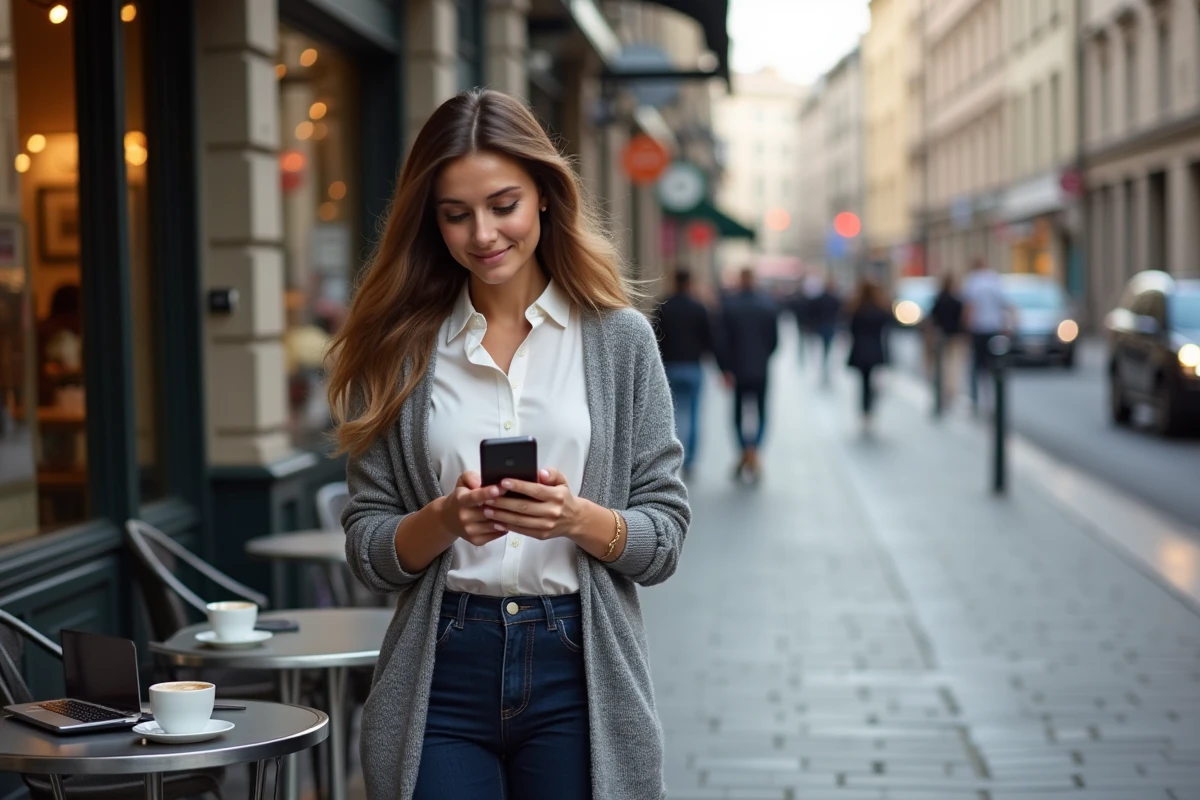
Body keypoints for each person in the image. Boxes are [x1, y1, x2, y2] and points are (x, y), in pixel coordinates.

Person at [327, 89, 690, 800]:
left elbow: (666, 538)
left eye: (504, 205)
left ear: (546, 198)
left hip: (578, 668)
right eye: (455, 215)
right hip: (441, 668)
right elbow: (369, 552)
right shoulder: (399, 350)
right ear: (430, 222)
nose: (483, 234)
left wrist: (574, 517)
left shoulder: (620, 341)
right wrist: (443, 521)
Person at [650, 268, 716, 478]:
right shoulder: (699, 308)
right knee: (694, 414)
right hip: (693, 366)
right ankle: (690, 460)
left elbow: (654, 338)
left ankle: (675, 457)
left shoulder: (664, 306)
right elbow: (710, 338)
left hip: (670, 367)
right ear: (690, 282)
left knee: (674, 414)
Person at [717, 267, 779, 481]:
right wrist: (763, 357)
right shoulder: (767, 305)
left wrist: (724, 368)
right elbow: (774, 341)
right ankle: (754, 450)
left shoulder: (729, 305)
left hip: (737, 370)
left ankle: (745, 450)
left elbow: (721, 342)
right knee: (761, 412)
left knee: (737, 415)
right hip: (760, 369)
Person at [959, 257, 1010, 414]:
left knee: (976, 366)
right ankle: (992, 400)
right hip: (994, 327)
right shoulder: (994, 279)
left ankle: (976, 399)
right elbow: (1004, 303)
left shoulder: (972, 281)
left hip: (978, 328)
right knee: (994, 364)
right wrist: (1006, 324)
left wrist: (966, 328)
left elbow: (969, 307)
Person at [846, 277, 891, 435]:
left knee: (863, 383)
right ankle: (869, 409)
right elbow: (887, 324)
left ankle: (865, 411)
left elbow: (850, 329)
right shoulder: (879, 309)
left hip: (859, 349)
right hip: (875, 349)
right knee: (873, 381)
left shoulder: (855, 308)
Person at [927, 274, 965, 407]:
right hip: (955, 336)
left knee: (942, 364)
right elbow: (963, 320)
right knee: (953, 365)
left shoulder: (938, 299)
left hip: (941, 336)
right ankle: (951, 390)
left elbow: (932, 319)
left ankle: (944, 389)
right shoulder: (957, 301)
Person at [808, 275, 842, 385]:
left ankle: (825, 365)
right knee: (827, 347)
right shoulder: (834, 299)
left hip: (823, 325)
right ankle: (826, 365)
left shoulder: (821, 298)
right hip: (829, 325)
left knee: (825, 346)